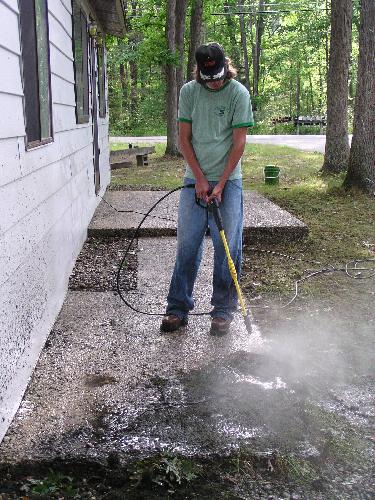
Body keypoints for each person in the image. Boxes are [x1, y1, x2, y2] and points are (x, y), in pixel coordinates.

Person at [161, 42, 254, 336]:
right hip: (194, 179)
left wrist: (221, 183)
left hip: (230, 179)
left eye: (217, 78)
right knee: (188, 244)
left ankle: (223, 310)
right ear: (200, 73)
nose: (213, 84)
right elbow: (184, 139)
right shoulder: (188, 92)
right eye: (207, 79)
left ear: (225, 69)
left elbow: (239, 143)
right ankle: (177, 308)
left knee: (228, 247)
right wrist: (200, 179)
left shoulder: (238, 93)